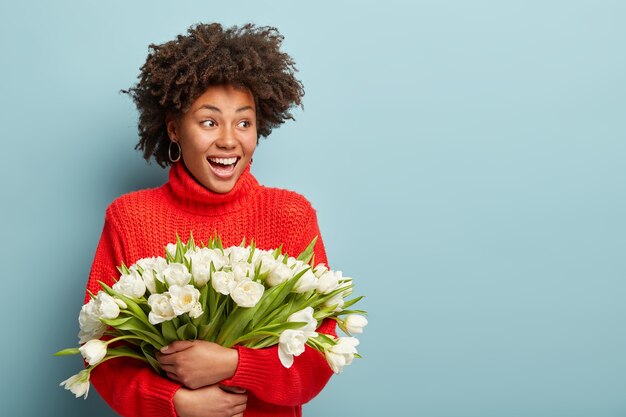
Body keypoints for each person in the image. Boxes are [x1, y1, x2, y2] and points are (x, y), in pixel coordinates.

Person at [84, 22, 335, 417]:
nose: (229, 140)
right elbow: (103, 353)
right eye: (209, 121)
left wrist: (235, 364)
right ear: (173, 129)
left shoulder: (290, 215)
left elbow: (322, 353)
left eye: (244, 122)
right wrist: (174, 402)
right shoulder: (129, 218)